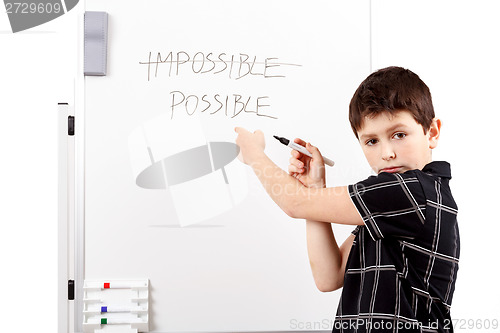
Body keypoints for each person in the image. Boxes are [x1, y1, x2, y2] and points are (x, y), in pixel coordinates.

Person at [234, 66, 459, 332]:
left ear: (431, 132)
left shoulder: (415, 192)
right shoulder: (389, 207)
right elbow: (329, 275)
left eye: (399, 135)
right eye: (371, 141)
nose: (386, 153)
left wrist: (255, 156)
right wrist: (315, 186)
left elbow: (294, 203)